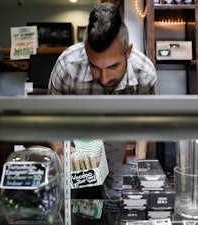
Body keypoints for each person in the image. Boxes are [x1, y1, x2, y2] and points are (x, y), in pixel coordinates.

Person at [48, 2, 157, 199]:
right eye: (95, 67)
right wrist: (60, 150)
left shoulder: (144, 73)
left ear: (129, 52)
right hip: (76, 145)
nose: (104, 78)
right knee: (76, 204)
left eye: (113, 67)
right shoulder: (67, 66)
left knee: (109, 201)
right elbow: (51, 116)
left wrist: (138, 167)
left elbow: (144, 123)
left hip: (115, 144)